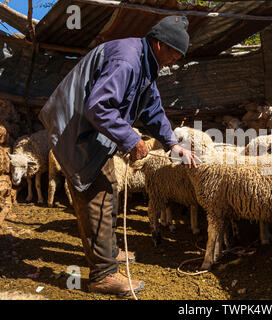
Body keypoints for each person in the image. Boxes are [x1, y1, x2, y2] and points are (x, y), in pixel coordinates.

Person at [39, 16, 199, 297]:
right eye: (174, 53)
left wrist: (172, 143)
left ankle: (109, 251)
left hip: (91, 133)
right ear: (160, 44)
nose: (174, 61)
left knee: (111, 185)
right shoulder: (127, 60)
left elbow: (152, 108)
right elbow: (98, 107)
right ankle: (102, 274)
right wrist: (132, 138)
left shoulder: (146, 64)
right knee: (96, 195)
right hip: (73, 130)